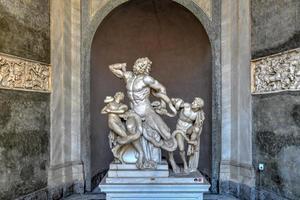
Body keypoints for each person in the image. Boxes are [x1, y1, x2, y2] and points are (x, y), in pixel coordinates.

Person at [109, 58, 178, 164]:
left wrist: (163, 106)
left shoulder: (147, 79)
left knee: (166, 133)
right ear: (136, 64)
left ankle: (172, 161)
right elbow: (112, 67)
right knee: (130, 128)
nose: (141, 67)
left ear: (146, 68)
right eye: (139, 64)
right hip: (133, 112)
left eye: (144, 65)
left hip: (147, 111)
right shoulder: (128, 76)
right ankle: (138, 154)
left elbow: (162, 89)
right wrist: (121, 65)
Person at [168, 97, 205, 173]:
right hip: (180, 129)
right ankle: (185, 163)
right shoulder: (186, 105)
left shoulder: (199, 114)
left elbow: (198, 125)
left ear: (198, 106)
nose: (192, 103)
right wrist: (175, 101)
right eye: (193, 101)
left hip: (189, 129)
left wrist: (196, 134)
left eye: (195, 103)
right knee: (181, 149)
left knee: (196, 129)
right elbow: (172, 102)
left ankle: (191, 142)